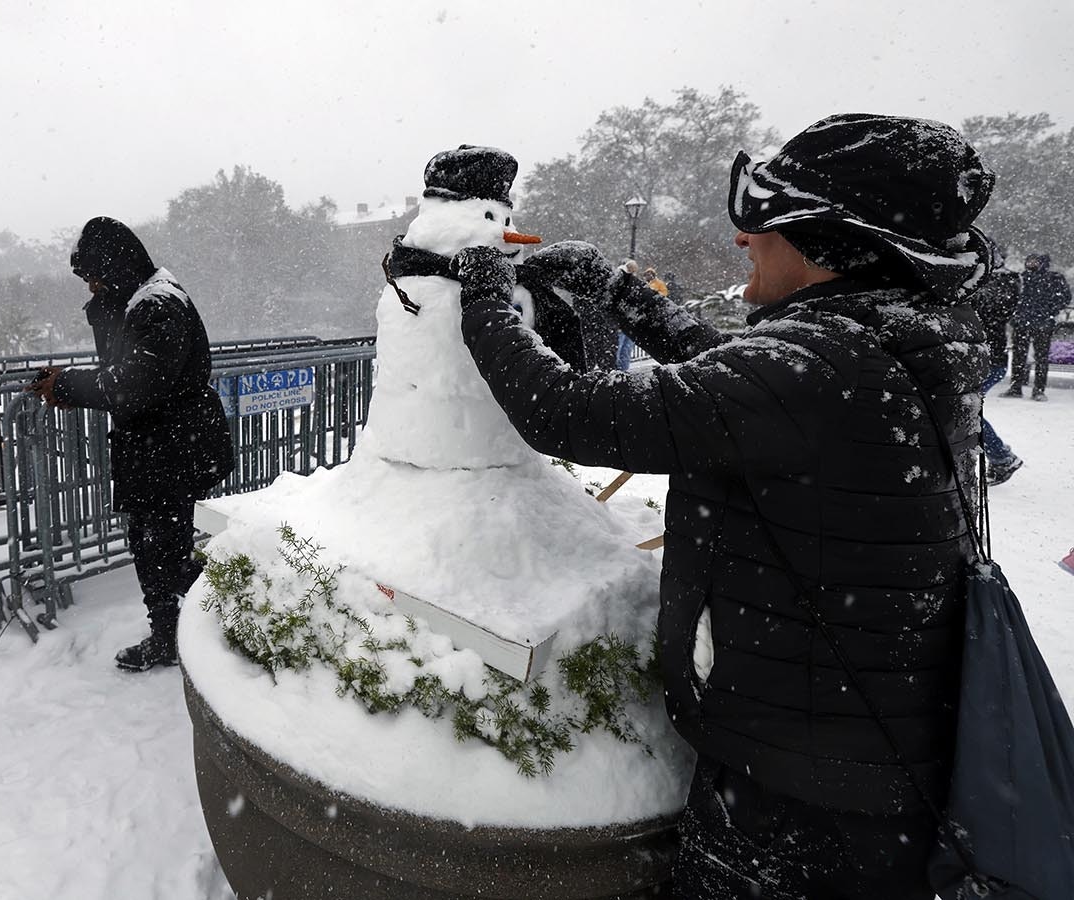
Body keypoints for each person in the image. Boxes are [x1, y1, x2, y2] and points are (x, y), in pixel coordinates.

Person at [452, 113, 991, 899]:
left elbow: (565, 411)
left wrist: (485, 294)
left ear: (827, 242)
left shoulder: (818, 366)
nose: (744, 241)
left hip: (801, 791)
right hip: (874, 750)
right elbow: (739, 386)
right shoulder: (895, 338)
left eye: (761, 222)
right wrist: (617, 292)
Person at [27, 217, 234, 672]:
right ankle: (173, 632)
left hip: (170, 452)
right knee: (150, 548)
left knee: (168, 554)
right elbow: (124, 370)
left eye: (94, 276)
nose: (91, 287)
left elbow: (135, 385)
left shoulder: (158, 305)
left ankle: (234, 616)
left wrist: (67, 387)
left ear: (115, 266)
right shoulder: (139, 299)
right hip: (155, 451)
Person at [969, 249, 1024, 483]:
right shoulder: (984, 279)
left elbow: (992, 307)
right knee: (969, 410)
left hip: (991, 360)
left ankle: (1002, 458)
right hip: (978, 357)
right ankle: (1001, 457)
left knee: (969, 411)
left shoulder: (1005, 280)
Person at [1005, 252, 1071, 400]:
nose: (1031, 264)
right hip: (1023, 323)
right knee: (1018, 357)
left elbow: (1065, 297)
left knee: (1041, 358)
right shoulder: (1021, 278)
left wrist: (1049, 311)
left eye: (1034, 261)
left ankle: (1038, 390)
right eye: (1029, 261)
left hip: (1042, 323)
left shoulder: (1054, 278)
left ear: (1042, 263)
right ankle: (1016, 387)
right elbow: (1012, 297)